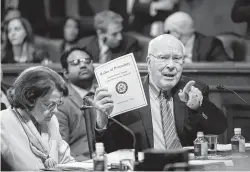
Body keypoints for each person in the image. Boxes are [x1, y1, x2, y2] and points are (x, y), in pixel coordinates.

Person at [95, 34, 227, 152]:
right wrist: (102, 120)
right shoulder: (129, 92)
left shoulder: (194, 88)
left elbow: (219, 128)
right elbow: (109, 148)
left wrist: (199, 106)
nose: (171, 65)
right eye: (163, 58)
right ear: (149, 62)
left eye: (177, 58)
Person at [0, 66, 75, 170]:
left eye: (58, 104)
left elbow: (66, 161)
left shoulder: (52, 121)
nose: (56, 111)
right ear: (29, 98)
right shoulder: (3, 123)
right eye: (49, 104)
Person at [56, 47, 104, 161]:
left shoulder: (104, 94)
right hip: (80, 163)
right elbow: (60, 149)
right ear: (65, 73)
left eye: (87, 61)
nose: (83, 65)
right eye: (75, 63)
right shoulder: (60, 102)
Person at [164, 12, 230, 63]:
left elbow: (225, 68)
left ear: (177, 33)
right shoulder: (166, 46)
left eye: (168, 32)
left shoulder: (210, 44)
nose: (166, 35)